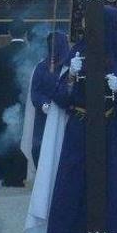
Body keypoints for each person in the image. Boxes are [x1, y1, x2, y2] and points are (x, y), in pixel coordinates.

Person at [33, 7, 117, 233]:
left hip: (111, 130)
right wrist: (70, 76)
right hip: (80, 130)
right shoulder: (76, 55)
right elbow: (62, 97)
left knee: (115, 194)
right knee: (75, 192)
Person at [0, 18, 32, 187]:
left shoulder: (1, 53)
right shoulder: (32, 52)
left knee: (7, 137)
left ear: (9, 33)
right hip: (26, 103)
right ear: (26, 33)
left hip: (5, 104)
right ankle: (20, 175)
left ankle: (7, 174)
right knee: (23, 137)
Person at [21, 30, 70, 172]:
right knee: (38, 147)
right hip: (44, 115)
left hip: (64, 114)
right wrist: (43, 103)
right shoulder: (41, 67)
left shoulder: (70, 67)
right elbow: (35, 91)